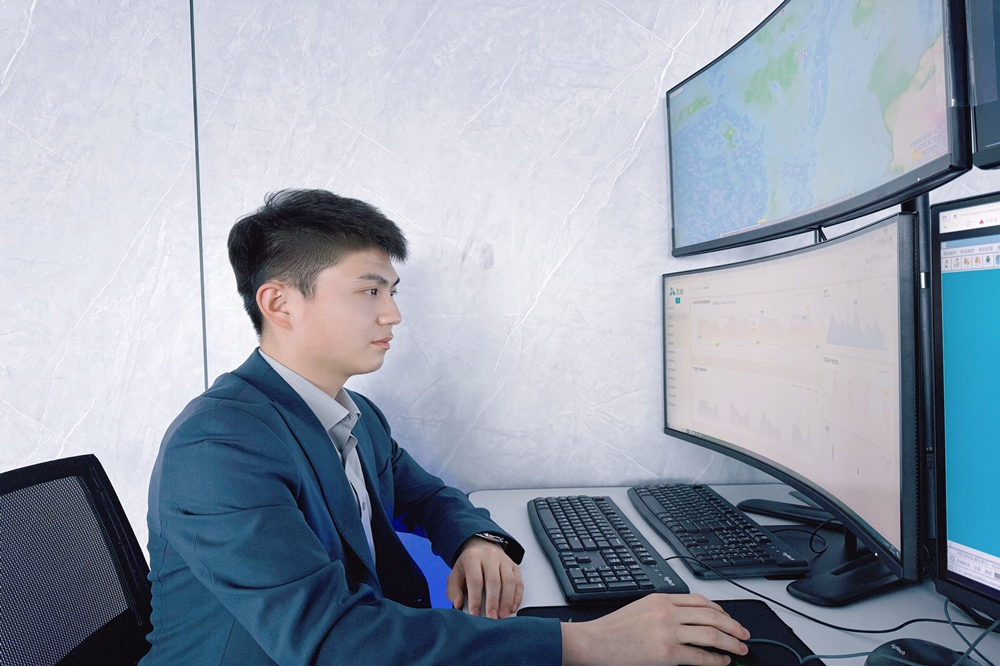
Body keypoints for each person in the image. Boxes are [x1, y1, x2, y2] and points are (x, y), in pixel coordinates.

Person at [142, 189, 750, 665]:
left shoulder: (352, 414)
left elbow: (426, 495)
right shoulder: (219, 447)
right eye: (369, 291)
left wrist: (473, 540)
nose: (393, 314)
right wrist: (586, 644)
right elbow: (333, 641)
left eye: (392, 291)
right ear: (279, 304)